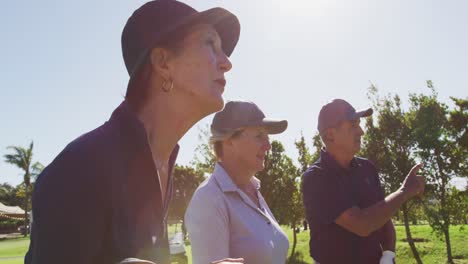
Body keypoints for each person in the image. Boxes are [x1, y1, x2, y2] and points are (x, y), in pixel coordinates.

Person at [25, 1, 244, 263]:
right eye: (210, 44)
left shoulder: (161, 163)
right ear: (163, 63)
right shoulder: (80, 169)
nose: (227, 63)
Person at [302, 99, 425, 264]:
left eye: (359, 124)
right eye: (353, 125)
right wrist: (403, 192)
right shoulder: (316, 178)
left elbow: (383, 215)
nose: (361, 131)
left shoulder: (367, 168)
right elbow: (362, 224)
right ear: (330, 135)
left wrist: (388, 256)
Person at [185, 101, 290, 264]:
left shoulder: (254, 189)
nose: (268, 145)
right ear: (228, 141)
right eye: (259, 136)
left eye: (267, 137)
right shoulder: (209, 199)